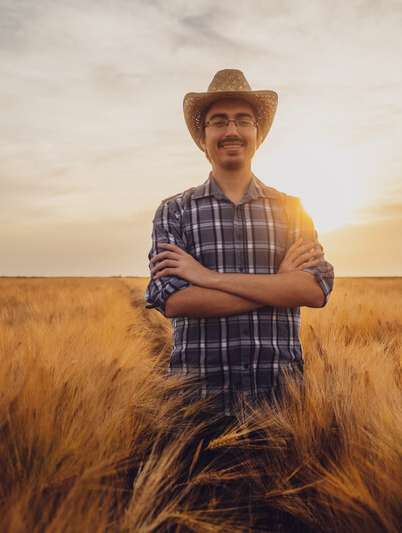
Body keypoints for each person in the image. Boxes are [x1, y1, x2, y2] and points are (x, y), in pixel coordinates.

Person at [144, 69, 335, 419]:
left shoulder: (293, 209)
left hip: (282, 407)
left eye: (243, 121)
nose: (231, 130)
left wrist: (206, 276)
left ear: (257, 135)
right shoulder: (173, 211)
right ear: (203, 139)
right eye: (219, 121)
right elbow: (174, 300)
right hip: (196, 408)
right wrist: (279, 285)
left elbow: (314, 292)